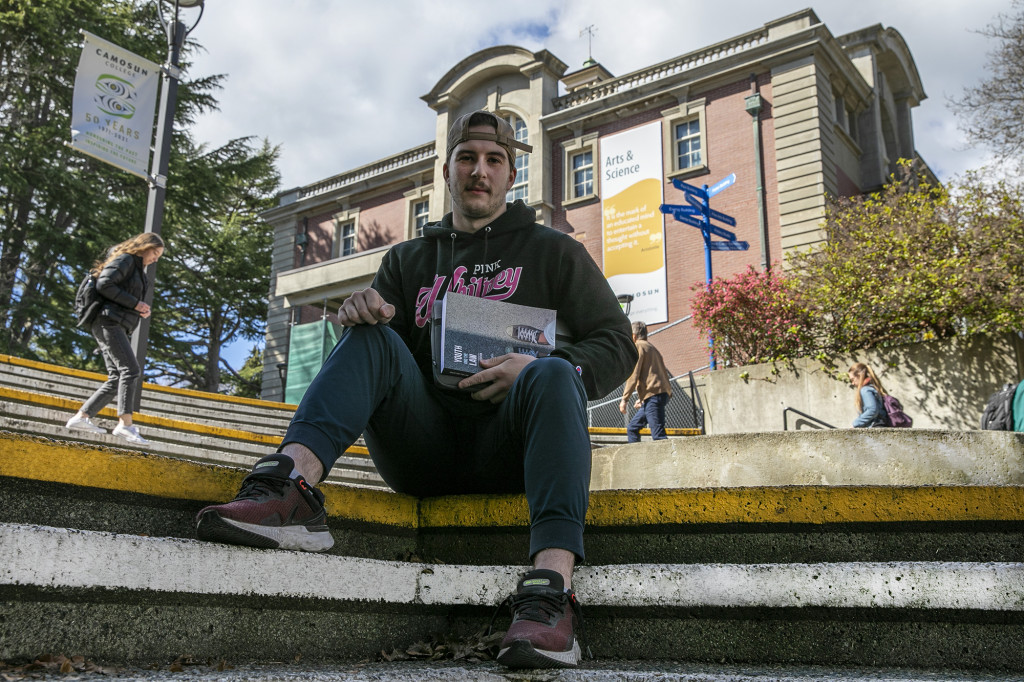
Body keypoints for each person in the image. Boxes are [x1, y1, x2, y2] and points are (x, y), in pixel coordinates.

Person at [194, 110, 637, 669]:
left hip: (512, 450)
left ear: (511, 172)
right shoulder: (406, 259)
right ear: (447, 170)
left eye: (494, 160)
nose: (480, 171)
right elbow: (383, 359)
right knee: (371, 337)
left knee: (550, 372)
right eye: (467, 158)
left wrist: (543, 365)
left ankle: (550, 590)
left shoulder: (555, 252)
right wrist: (363, 311)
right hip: (422, 448)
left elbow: (617, 343)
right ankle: (290, 489)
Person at [65, 232, 165, 445]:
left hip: (114, 322)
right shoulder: (128, 259)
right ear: (144, 246)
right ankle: (125, 425)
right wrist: (135, 304)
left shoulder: (137, 269)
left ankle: (81, 418)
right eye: (155, 252)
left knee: (117, 377)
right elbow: (105, 284)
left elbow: (121, 293)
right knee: (130, 370)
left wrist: (138, 308)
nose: (156, 258)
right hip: (108, 321)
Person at [619, 321, 673, 442]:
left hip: (654, 396)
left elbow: (633, 375)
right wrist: (643, 398)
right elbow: (656, 374)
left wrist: (624, 399)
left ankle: (669, 459)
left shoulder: (638, 346)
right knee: (632, 428)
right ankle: (636, 457)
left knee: (659, 435)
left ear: (633, 336)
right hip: (655, 395)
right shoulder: (652, 348)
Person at [848, 362, 891, 428]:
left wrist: (855, 424)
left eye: (852, 379)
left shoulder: (865, 390)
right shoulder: (873, 388)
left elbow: (872, 410)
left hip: (875, 426)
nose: (852, 383)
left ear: (859, 376)